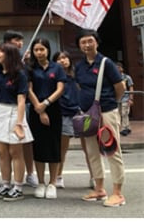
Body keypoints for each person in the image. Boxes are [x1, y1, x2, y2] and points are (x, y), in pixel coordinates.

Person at [75, 30, 126, 207]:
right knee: (92, 150)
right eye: (83, 42)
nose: (87, 45)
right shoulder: (80, 66)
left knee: (112, 150)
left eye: (90, 41)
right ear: (79, 45)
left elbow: (120, 87)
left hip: (106, 112)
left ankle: (118, 193)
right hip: (88, 114)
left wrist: (110, 104)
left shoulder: (106, 63)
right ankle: (99, 189)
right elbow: (80, 86)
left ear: (97, 42)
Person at [0, 43, 33, 202]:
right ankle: (6, 184)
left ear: (10, 55)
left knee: (15, 152)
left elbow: (21, 101)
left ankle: (18, 187)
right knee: (2, 152)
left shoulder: (20, 75)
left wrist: (19, 123)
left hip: (14, 113)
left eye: (1, 52)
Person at [27, 38, 65, 199]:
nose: (39, 52)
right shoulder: (30, 68)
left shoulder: (57, 68)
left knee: (54, 146)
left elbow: (61, 88)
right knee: (39, 146)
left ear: (48, 50)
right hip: (36, 111)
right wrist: (39, 108)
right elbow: (28, 89)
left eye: (42, 49)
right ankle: (41, 182)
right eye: (36, 50)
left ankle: (52, 183)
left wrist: (47, 103)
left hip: (54, 110)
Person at [52, 50, 92, 189]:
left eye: (65, 58)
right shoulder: (55, 76)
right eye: (59, 58)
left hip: (80, 112)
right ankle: (58, 176)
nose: (63, 61)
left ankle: (94, 176)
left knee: (88, 147)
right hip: (63, 113)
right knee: (62, 148)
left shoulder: (77, 75)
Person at [3, 30, 37, 188]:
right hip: (6, 107)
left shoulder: (26, 63)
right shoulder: (2, 63)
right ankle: (9, 179)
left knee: (26, 141)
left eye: (21, 40)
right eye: (17, 40)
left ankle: (30, 174)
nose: (20, 43)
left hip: (25, 105)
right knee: (8, 145)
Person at [116, 62, 134, 136]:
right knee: (119, 114)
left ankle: (124, 129)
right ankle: (126, 127)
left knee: (124, 113)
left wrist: (131, 98)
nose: (117, 69)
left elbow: (131, 87)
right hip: (117, 99)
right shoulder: (114, 78)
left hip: (125, 98)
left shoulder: (127, 77)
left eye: (118, 68)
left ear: (121, 69)